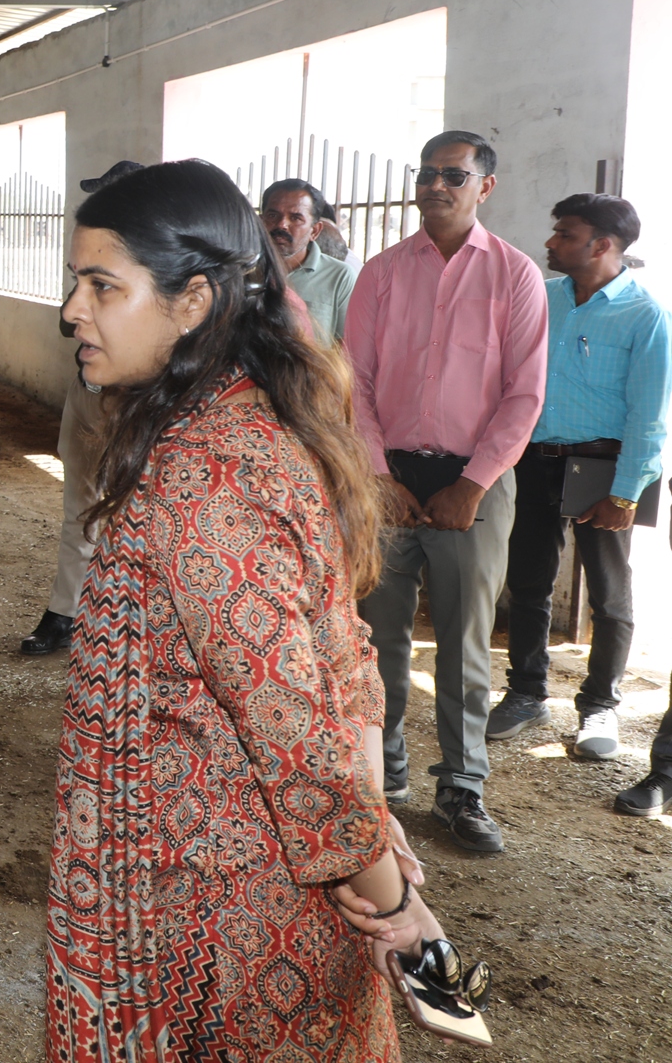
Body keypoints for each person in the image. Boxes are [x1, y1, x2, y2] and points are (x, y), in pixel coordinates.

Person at [46, 158, 444, 1061]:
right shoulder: (242, 420)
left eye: (102, 286)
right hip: (252, 882)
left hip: (207, 907)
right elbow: (346, 651)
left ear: (191, 303)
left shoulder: (206, 475)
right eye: (79, 283)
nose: (74, 310)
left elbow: (292, 732)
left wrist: (396, 908)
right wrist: (378, 824)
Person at [346, 130, 546, 853]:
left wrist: (474, 482)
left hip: (474, 483)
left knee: (464, 644)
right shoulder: (382, 273)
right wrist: (375, 473)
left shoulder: (515, 276)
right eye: (427, 173)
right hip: (386, 480)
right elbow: (354, 383)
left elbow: (524, 394)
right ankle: (382, 778)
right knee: (375, 639)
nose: (436, 185)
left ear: (484, 186)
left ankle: (462, 789)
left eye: (453, 175)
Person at [492, 195, 670, 764]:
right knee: (528, 582)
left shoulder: (645, 317)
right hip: (536, 458)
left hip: (607, 465)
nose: (550, 243)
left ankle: (599, 703)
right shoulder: (543, 300)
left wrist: (625, 492)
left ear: (602, 245)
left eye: (564, 234)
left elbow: (650, 414)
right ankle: (526, 692)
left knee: (609, 593)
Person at [21, 159, 145, 658]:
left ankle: (124, 625)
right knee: (80, 506)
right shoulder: (91, 259)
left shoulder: (161, 264)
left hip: (136, 404)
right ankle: (64, 614)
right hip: (89, 395)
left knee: (138, 512)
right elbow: (65, 322)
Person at [261, 177, 356, 344]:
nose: (282, 224)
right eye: (272, 215)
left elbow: (346, 349)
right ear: (261, 222)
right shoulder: (242, 271)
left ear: (315, 231)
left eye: (296, 218)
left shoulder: (339, 276)